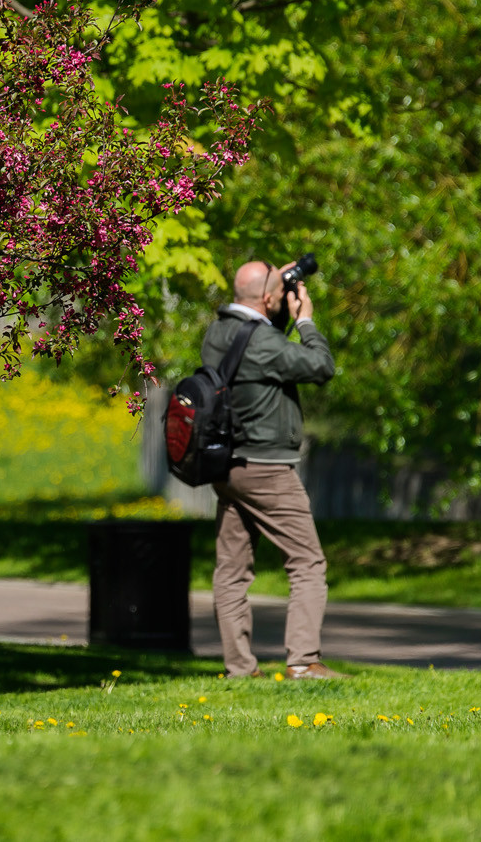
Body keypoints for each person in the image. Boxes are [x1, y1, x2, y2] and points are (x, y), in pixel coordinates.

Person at [201, 259, 341, 680]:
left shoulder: (218, 332)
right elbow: (320, 366)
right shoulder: (263, 341)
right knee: (307, 564)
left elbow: (261, 347)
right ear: (266, 297)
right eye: (278, 292)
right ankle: (303, 661)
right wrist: (306, 322)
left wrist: (275, 296)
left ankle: (240, 668)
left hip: (228, 466)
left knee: (232, 570)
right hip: (267, 468)